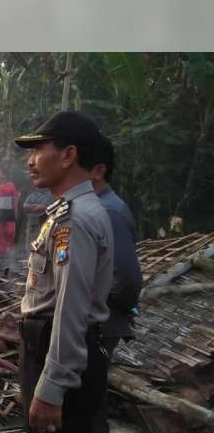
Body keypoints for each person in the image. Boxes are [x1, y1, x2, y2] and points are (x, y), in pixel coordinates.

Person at [14, 110, 114, 433]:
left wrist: (53, 387)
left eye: (39, 149)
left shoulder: (75, 220)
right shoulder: (70, 212)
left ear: (69, 155)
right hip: (60, 349)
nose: (30, 159)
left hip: (57, 352)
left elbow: (71, 309)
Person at [90, 136, 142, 356]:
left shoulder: (109, 211)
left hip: (100, 322)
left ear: (98, 172)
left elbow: (128, 278)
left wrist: (122, 306)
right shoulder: (93, 207)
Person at [0, 166, 20, 255]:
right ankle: (2, 252)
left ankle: (10, 250)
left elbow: (15, 199)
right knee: (0, 233)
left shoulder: (11, 185)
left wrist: (16, 212)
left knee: (10, 232)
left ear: (4, 175)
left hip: (9, 212)